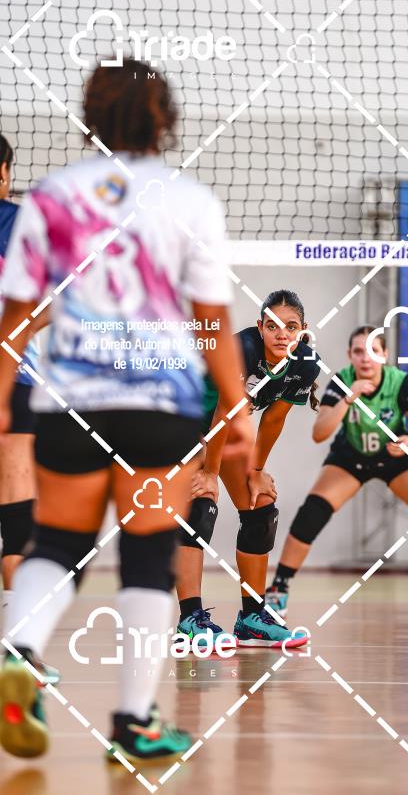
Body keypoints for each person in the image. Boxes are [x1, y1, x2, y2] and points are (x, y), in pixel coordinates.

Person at [0, 59, 254, 764]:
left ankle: (18, 650)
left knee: (57, 543)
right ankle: (134, 722)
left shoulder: (50, 197)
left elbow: (14, 316)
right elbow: (213, 320)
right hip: (158, 404)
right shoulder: (190, 201)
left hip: (68, 401)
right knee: (147, 554)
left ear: (90, 117)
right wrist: (237, 411)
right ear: (163, 118)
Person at [266, 325, 408, 622]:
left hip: (394, 458)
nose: (366, 358)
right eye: (359, 351)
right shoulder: (342, 382)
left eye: (374, 351)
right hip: (351, 457)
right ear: (350, 355)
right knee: (310, 515)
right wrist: (348, 399)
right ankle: (279, 589)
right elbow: (319, 433)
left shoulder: (399, 382)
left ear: (385, 355)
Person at [176, 289, 320, 647]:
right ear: (260, 327)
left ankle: (252, 618)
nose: (281, 334)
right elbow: (224, 412)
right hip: (182, 421)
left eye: (291, 327)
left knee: (261, 506)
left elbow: (273, 420)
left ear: (303, 330)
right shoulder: (242, 350)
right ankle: (190, 619)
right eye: (272, 326)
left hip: (222, 430)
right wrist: (209, 474)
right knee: (200, 504)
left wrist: (256, 471)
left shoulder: (305, 362)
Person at [0, 135, 44, 639]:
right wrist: (21, 330)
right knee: (16, 513)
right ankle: (17, 649)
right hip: (14, 375)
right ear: (4, 171)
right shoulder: (18, 223)